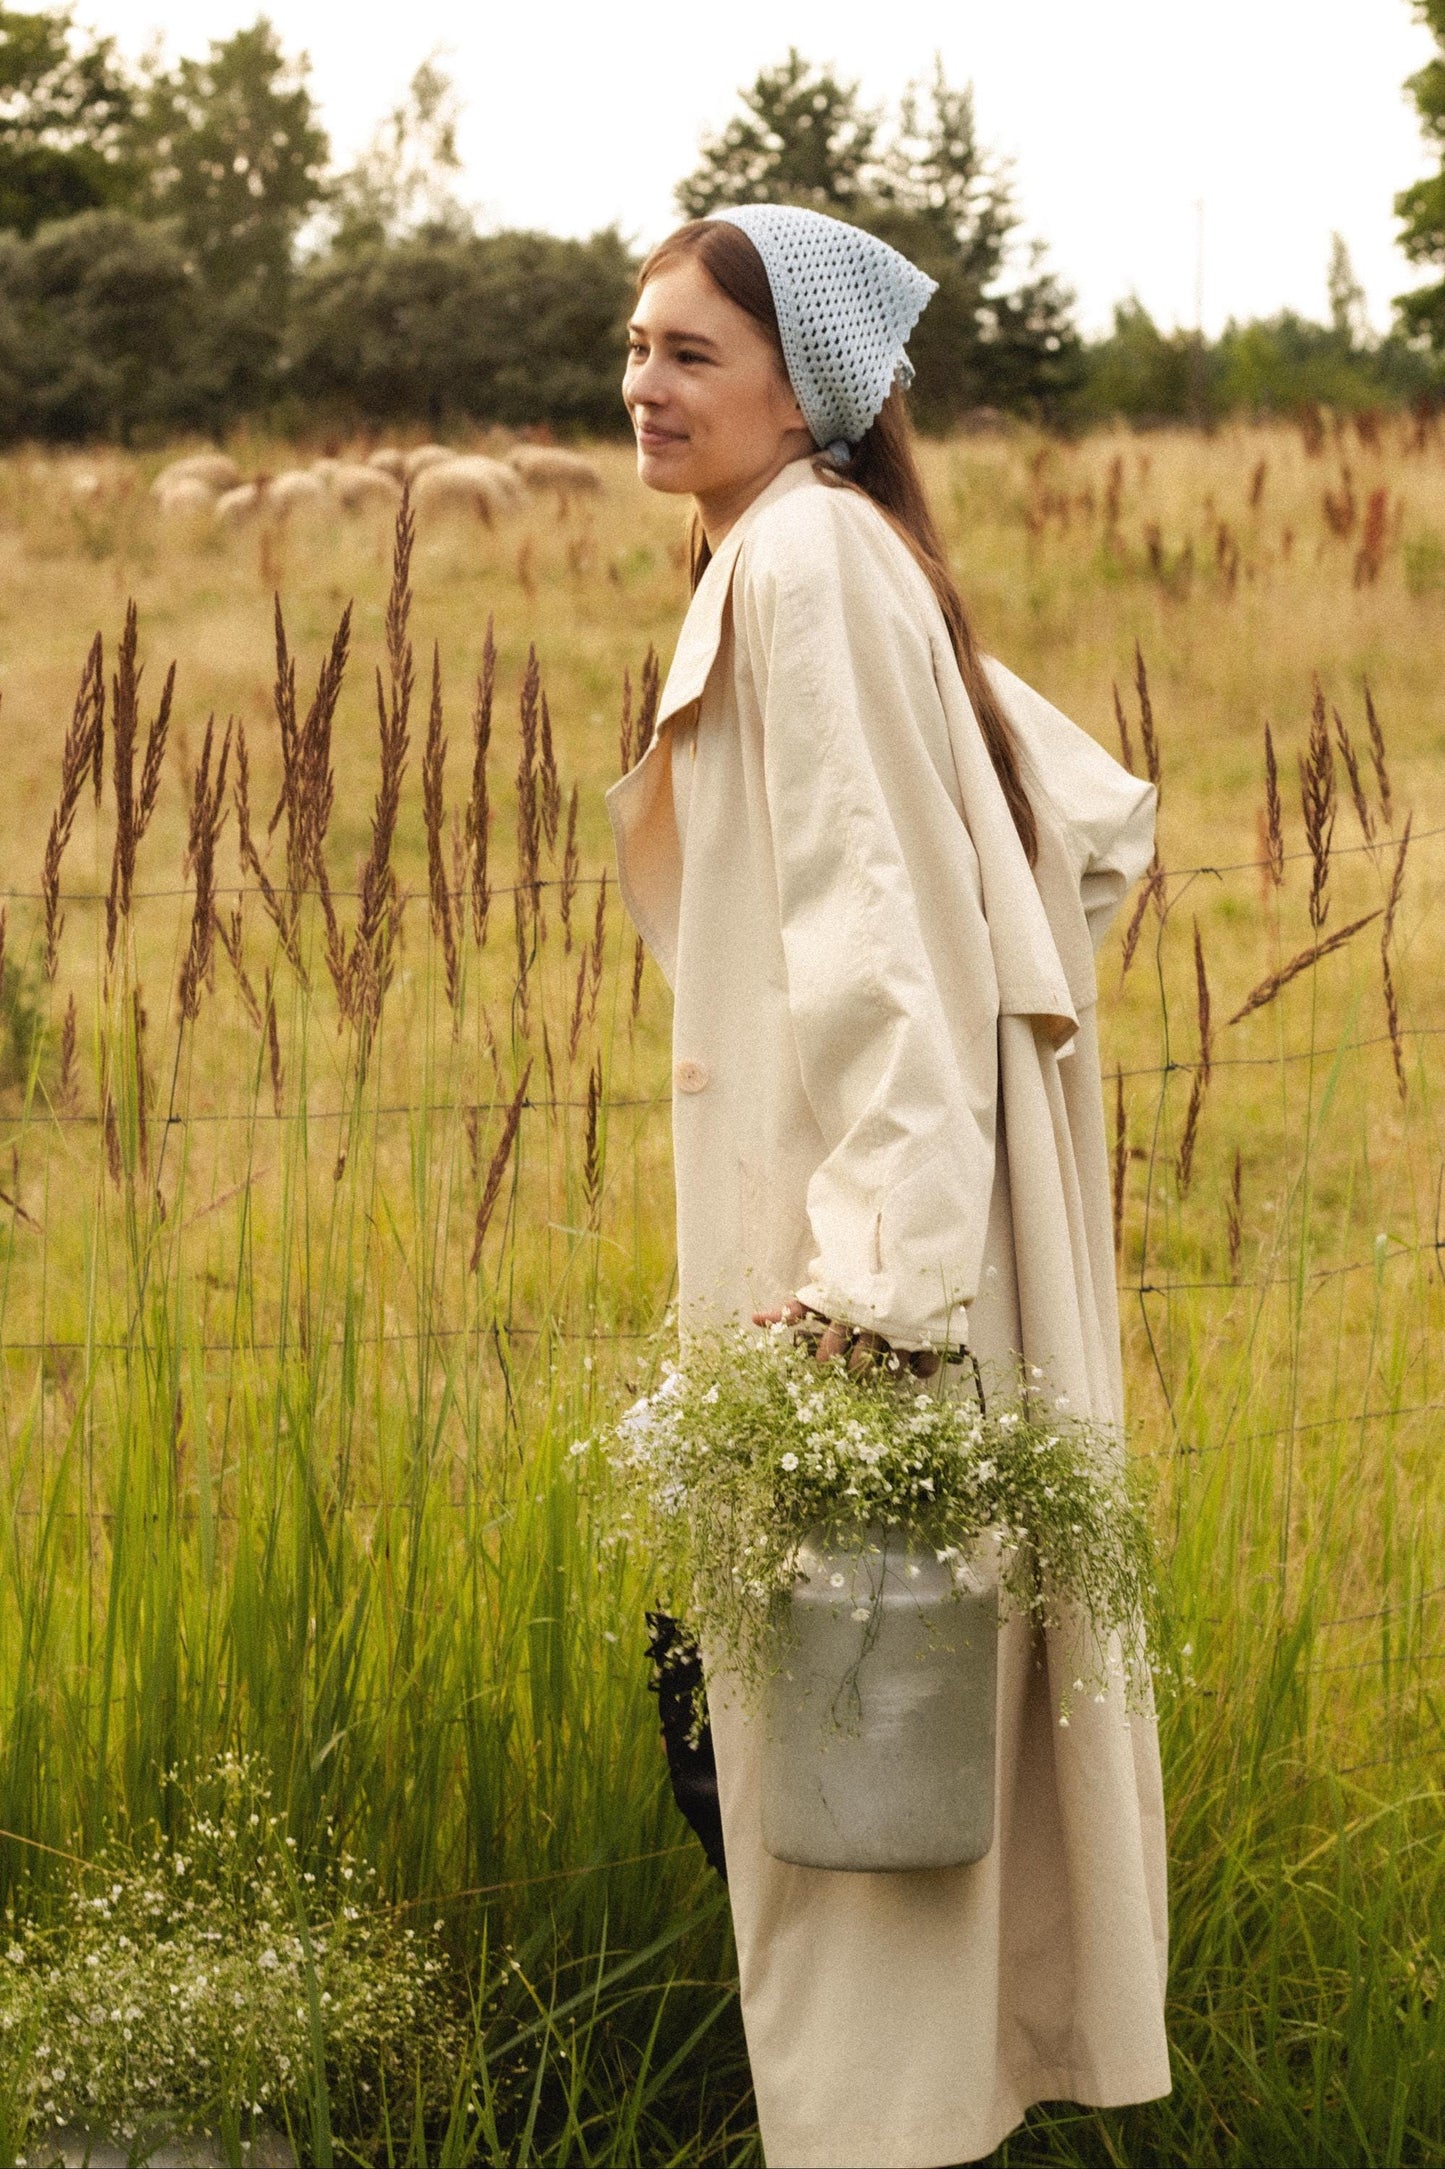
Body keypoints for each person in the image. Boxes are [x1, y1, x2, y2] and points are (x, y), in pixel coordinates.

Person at [606, 203, 1170, 2169]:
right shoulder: (844, 547)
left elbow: (870, 927)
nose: (646, 387)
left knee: (831, 1729)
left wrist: (879, 1295)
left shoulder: (808, 557)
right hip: (902, 1235)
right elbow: (1081, 825)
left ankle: (887, 2138)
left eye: (691, 352)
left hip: (869, 1266)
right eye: (641, 347)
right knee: (811, 1710)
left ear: (803, 384)